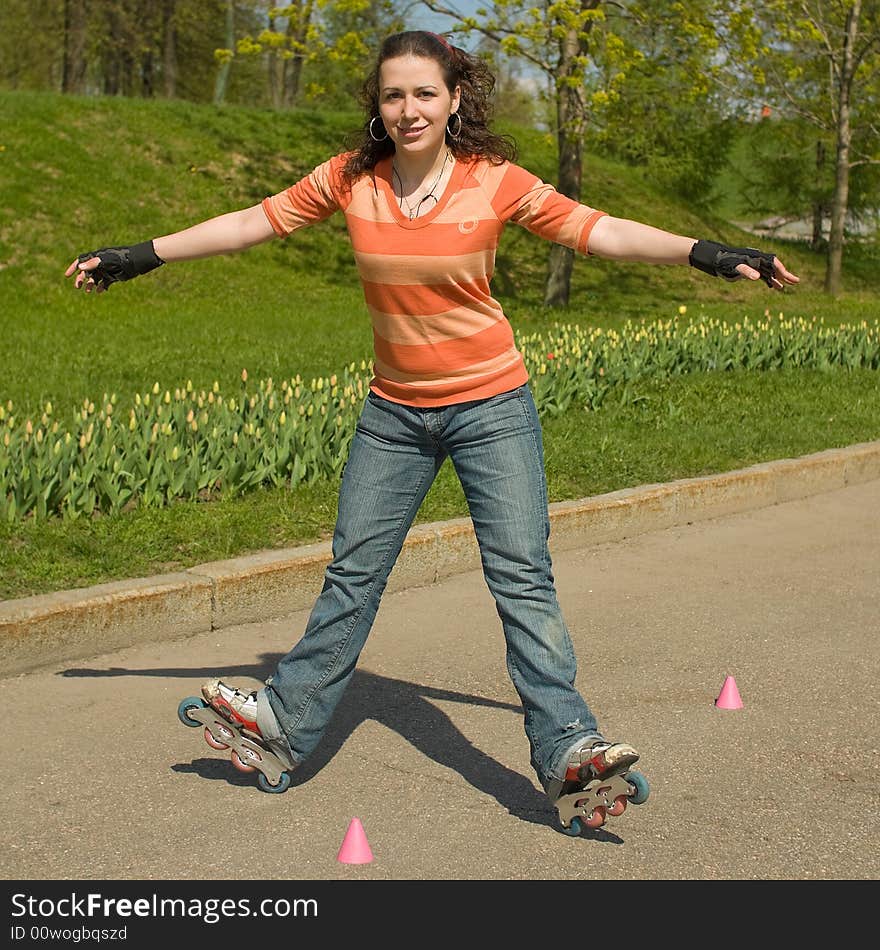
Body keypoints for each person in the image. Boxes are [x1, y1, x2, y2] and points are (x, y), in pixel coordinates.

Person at [66, 30, 799, 829]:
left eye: (424, 93)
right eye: (392, 95)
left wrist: (710, 252)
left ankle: (566, 746)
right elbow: (251, 223)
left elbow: (601, 229)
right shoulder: (353, 180)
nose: (408, 109)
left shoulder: (494, 181)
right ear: (377, 107)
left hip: (493, 407)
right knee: (354, 574)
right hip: (394, 416)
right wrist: (140, 255)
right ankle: (286, 720)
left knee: (522, 578)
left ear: (454, 99)